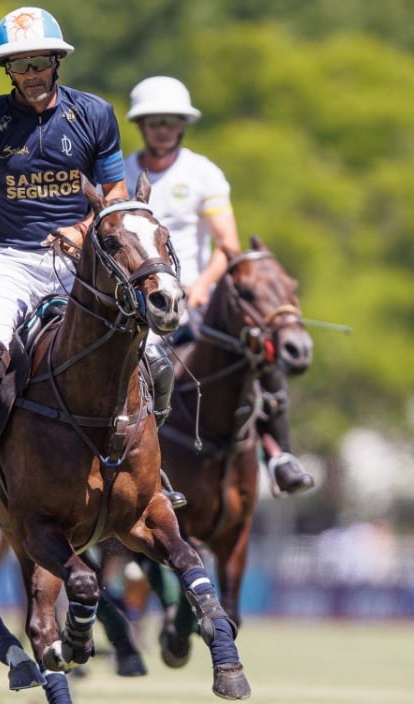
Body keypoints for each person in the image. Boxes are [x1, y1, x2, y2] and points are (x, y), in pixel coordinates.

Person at [0, 6, 132, 520]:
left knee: (149, 355)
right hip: (9, 258)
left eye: (39, 61)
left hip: (80, 260)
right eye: (19, 64)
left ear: (57, 62)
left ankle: (150, 469)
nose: (31, 73)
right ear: (7, 70)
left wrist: (82, 229)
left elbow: (116, 194)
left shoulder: (94, 115)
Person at [123, 76, 314, 495]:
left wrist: (201, 286)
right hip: (139, 301)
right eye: (155, 121)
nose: (164, 129)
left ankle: (280, 456)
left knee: (258, 347)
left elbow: (228, 246)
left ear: (183, 125)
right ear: (141, 125)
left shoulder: (203, 173)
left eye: (172, 121)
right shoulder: (120, 173)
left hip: (196, 297)